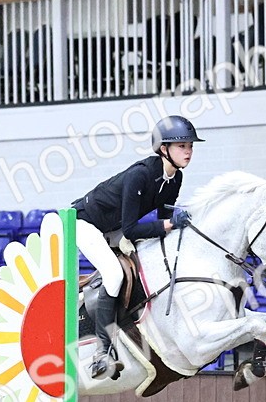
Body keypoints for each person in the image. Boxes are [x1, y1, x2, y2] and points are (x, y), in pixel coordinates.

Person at [71, 115, 204, 379]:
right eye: (182, 146)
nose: (188, 151)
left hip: (115, 227)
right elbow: (134, 228)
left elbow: (162, 219)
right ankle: (102, 351)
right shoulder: (140, 175)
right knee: (114, 274)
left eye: (190, 146)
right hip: (86, 223)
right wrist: (169, 224)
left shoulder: (175, 179)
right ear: (164, 149)